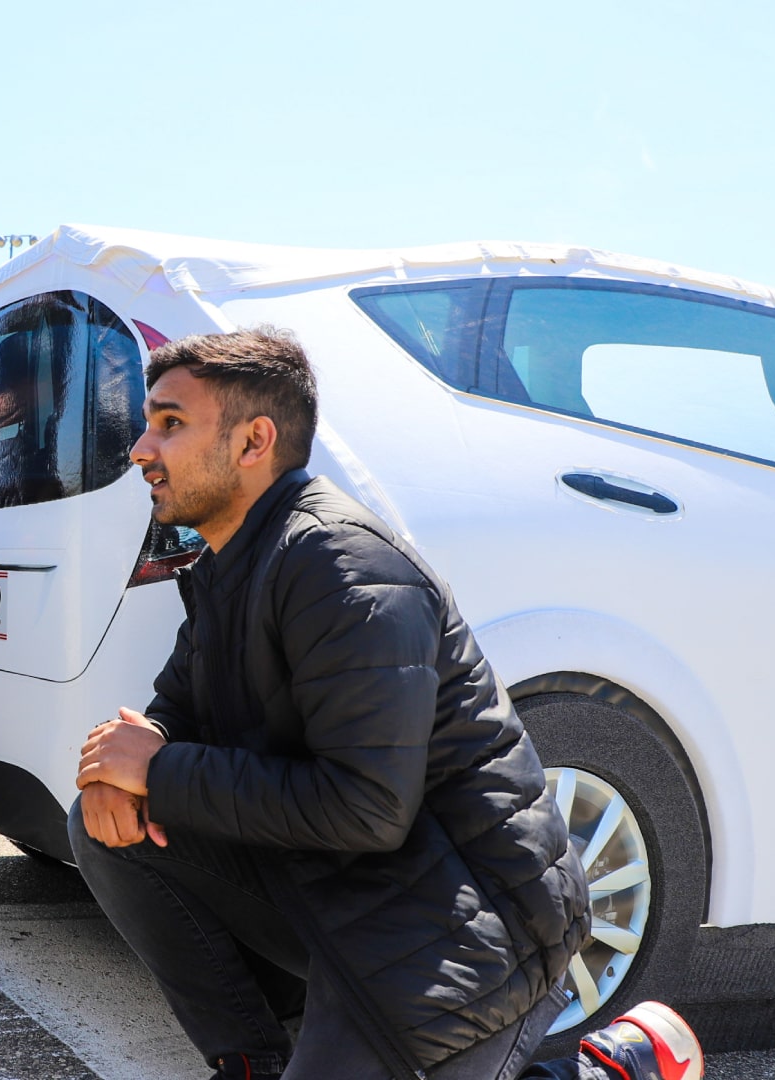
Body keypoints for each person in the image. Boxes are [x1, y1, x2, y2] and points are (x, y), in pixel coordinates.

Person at [70, 327, 704, 1080]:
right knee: (104, 823)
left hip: (473, 919)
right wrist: (127, 766)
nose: (142, 448)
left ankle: (616, 1070)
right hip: (346, 886)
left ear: (253, 441)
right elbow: (178, 707)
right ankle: (253, 1065)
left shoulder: (343, 567)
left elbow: (366, 806)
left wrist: (161, 770)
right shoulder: (232, 566)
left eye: (169, 423)